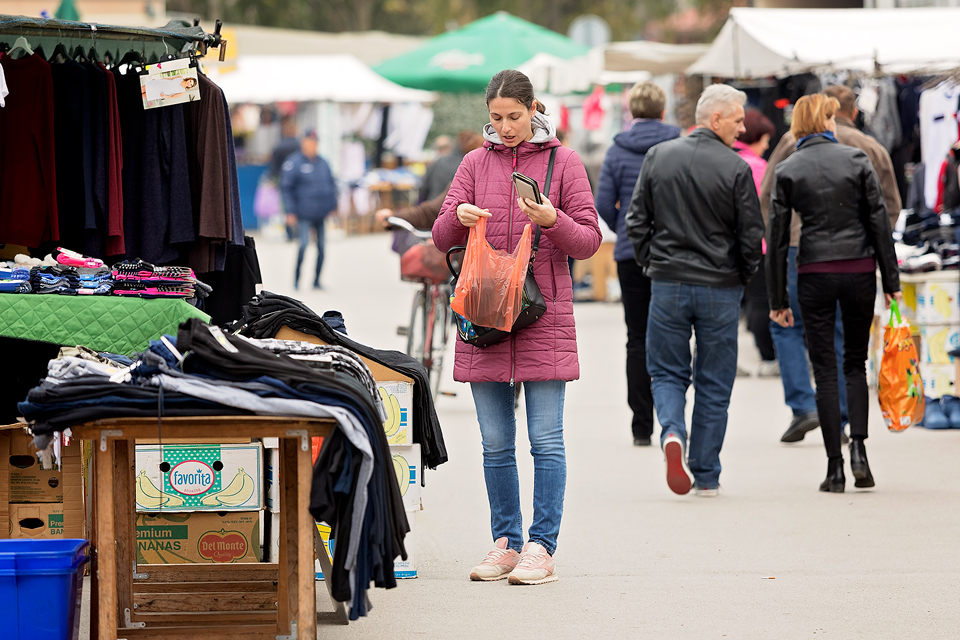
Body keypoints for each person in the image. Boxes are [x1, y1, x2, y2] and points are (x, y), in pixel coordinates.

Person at [432, 69, 601, 585]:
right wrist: (458, 215)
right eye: (496, 118)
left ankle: (541, 547)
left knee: (546, 440)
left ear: (534, 110)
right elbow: (440, 235)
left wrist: (553, 220)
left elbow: (590, 241)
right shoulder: (473, 163)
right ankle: (505, 541)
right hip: (484, 314)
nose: (504, 128)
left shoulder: (564, 161)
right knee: (495, 443)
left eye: (514, 117)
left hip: (540, 315)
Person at [624, 84, 764, 497]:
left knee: (666, 371)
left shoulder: (660, 156)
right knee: (714, 379)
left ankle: (671, 431)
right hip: (720, 286)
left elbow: (636, 220)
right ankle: (706, 471)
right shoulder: (736, 167)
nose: (742, 127)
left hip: (668, 281)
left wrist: (652, 263)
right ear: (716, 118)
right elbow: (750, 233)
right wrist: (741, 274)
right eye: (737, 119)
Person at [767, 94, 901, 492]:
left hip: (814, 270)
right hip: (859, 268)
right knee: (854, 363)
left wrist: (777, 300)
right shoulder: (857, 160)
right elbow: (879, 224)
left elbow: (776, 240)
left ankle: (834, 468)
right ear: (825, 122)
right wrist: (891, 282)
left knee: (823, 368)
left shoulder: (788, 169)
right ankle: (859, 449)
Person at [595, 81, 680, 447]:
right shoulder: (677, 145)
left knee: (637, 338)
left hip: (630, 253)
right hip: (672, 252)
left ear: (631, 112)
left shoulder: (617, 151)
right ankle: (672, 420)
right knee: (672, 335)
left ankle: (640, 425)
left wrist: (625, 227)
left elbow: (601, 203)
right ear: (663, 111)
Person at [734, 109, 779, 378]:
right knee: (762, 301)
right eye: (764, 140)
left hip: (732, 246)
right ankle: (768, 357)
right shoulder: (757, 166)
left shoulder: (727, 159)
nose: (765, 146)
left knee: (746, 302)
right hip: (759, 245)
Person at [280, 130, 338, 290]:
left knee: (322, 248)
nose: (312, 146)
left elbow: (331, 185)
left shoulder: (323, 163)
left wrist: (333, 206)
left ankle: (317, 280)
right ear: (303, 143)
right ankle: (297, 279)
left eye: (314, 143)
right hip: (303, 213)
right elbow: (286, 189)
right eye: (309, 142)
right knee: (303, 245)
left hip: (321, 213)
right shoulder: (294, 163)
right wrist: (290, 212)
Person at [419, 131, 472, 203]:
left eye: (443, 147)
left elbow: (424, 186)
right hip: (453, 206)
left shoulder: (438, 162)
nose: (440, 151)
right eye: (438, 148)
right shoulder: (467, 164)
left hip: (433, 203)